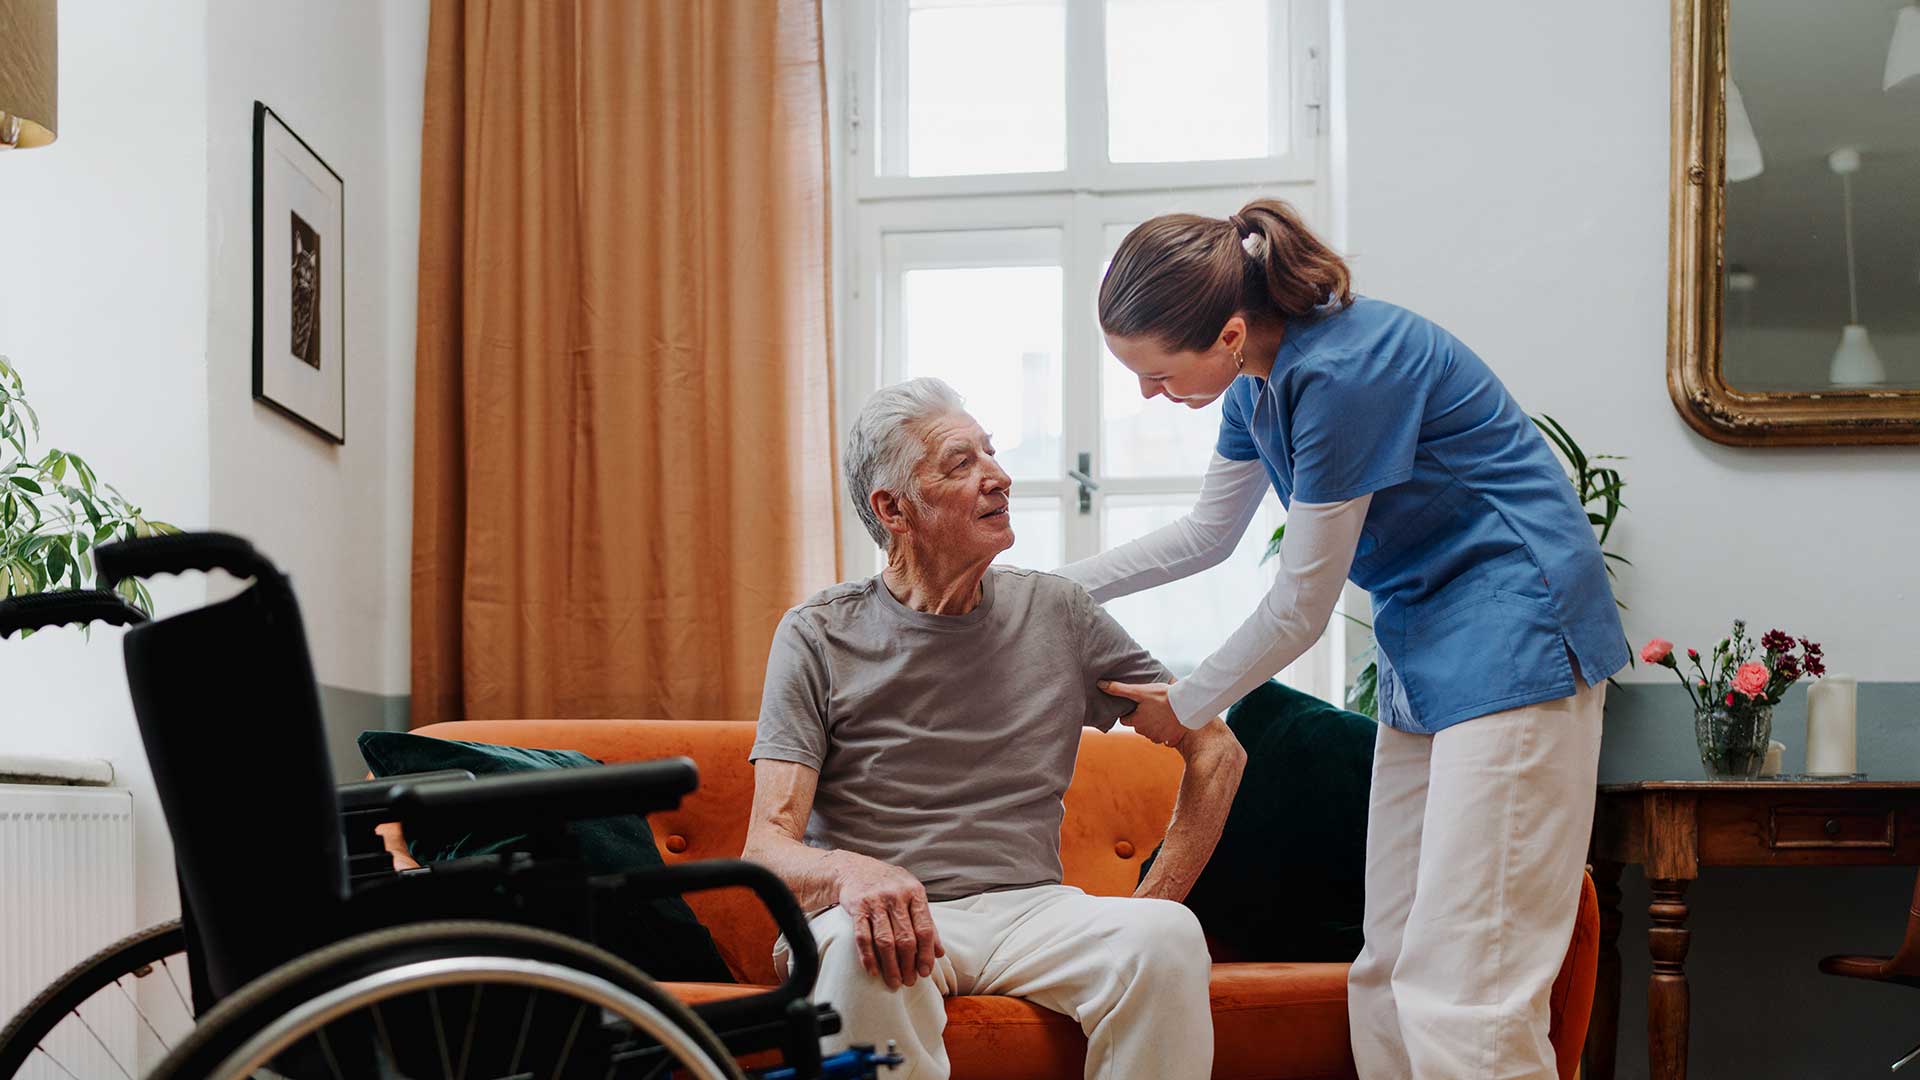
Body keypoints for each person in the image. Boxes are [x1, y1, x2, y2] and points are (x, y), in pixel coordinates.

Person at [1058, 198, 1629, 1079]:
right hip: (1426, 641)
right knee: (1390, 970)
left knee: (1468, 986)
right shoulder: (1253, 379)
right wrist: (1049, 590)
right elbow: (1206, 536)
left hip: (1518, 635)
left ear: (1229, 331)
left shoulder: (1346, 371)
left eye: (1158, 374)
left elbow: (1300, 605)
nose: (1147, 394)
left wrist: (1191, 704)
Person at [744, 378, 1245, 1080]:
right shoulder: (820, 634)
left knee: (1163, 937)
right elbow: (766, 848)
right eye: (961, 463)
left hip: (1031, 912)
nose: (999, 477)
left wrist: (1152, 898)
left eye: (992, 453)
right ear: (894, 508)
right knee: (865, 955)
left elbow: (1215, 746)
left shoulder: (1058, 614)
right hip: (880, 915)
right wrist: (849, 873)